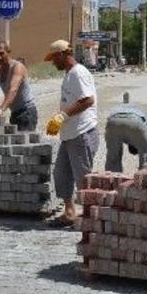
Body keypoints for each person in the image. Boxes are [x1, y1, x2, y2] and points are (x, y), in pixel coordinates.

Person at [44, 39, 98, 227]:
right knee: (61, 174)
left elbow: (88, 100)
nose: (53, 63)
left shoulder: (78, 73)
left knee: (83, 178)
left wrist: (63, 115)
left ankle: (90, 218)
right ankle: (69, 213)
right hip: (70, 135)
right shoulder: (69, 75)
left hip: (82, 134)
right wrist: (60, 120)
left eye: (54, 58)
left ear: (62, 55)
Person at [104, 92, 147, 172]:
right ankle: (144, 180)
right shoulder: (142, 115)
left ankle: (111, 180)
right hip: (134, 119)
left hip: (112, 120)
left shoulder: (135, 110)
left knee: (113, 158)